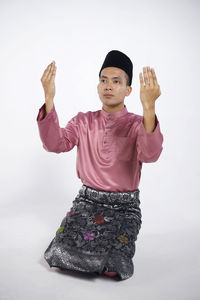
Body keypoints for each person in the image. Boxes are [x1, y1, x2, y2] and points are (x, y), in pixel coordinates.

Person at [36, 50, 164, 281]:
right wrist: (49, 99)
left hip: (124, 208)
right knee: (58, 254)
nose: (108, 86)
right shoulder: (82, 121)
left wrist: (149, 110)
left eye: (116, 81)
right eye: (103, 80)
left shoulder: (137, 124)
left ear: (128, 90)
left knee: (117, 265)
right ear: (97, 86)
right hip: (86, 203)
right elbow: (55, 144)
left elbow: (151, 154)